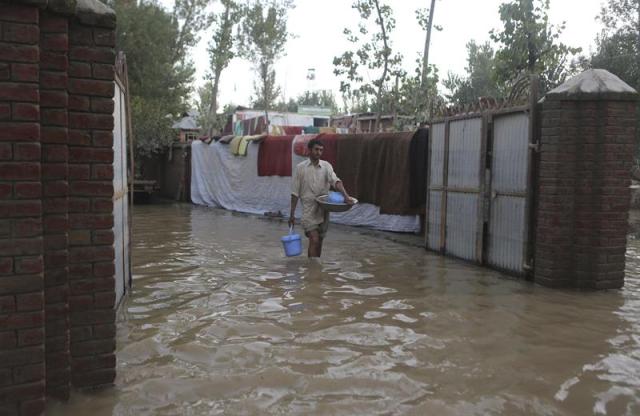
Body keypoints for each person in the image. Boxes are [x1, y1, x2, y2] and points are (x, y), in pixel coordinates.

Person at [289, 138, 354, 257]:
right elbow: (295, 193)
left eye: (321, 150)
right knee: (314, 239)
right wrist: (291, 215)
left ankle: (315, 269)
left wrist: (346, 196)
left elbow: (336, 182)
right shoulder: (300, 168)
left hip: (324, 210)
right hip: (308, 211)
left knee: (319, 241)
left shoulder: (326, 166)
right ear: (309, 150)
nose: (318, 152)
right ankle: (311, 268)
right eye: (316, 149)